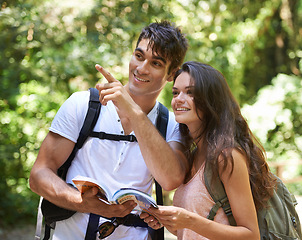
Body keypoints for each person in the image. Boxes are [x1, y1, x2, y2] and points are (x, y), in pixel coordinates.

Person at [29, 20, 189, 240]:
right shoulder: (82, 105)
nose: (141, 68)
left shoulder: (171, 125)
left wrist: (134, 112)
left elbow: (171, 180)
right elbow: (38, 175)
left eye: (156, 63)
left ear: (172, 74)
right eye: (139, 56)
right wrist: (82, 202)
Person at [142, 61, 277, 240]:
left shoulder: (227, 157)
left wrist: (189, 221)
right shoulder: (192, 155)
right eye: (176, 92)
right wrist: (169, 221)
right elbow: (198, 228)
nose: (178, 99)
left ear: (210, 100)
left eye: (190, 92)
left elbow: (250, 235)